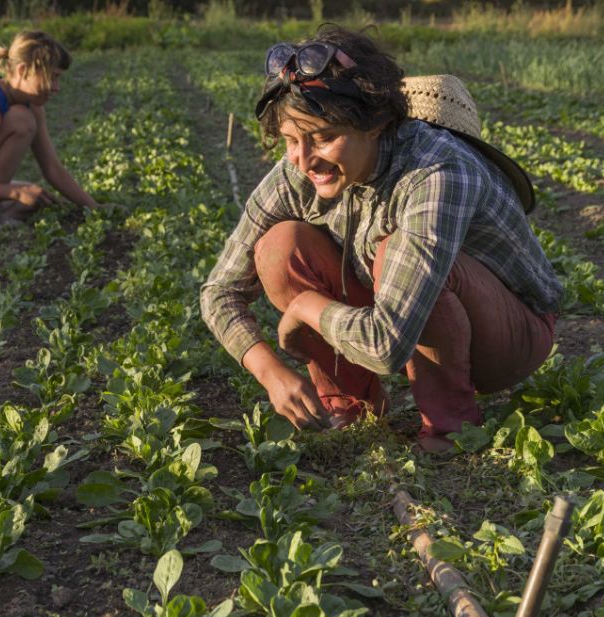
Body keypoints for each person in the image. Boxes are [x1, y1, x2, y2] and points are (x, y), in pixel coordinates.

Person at [200, 26, 562, 452]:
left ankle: (451, 428)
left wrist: (306, 306)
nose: (304, 158)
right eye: (291, 140)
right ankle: (351, 406)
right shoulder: (298, 169)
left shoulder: (437, 173)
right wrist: (269, 371)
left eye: (325, 137)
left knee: (396, 251)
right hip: (397, 313)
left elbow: (387, 344)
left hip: (506, 336)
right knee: (281, 247)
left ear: (376, 125)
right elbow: (218, 291)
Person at [0, 30, 99, 224]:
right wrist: (14, 192)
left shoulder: (33, 106)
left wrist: (94, 207)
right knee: (22, 120)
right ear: (22, 71)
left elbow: (52, 167)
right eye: (52, 77)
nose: (56, 87)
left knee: (37, 196)